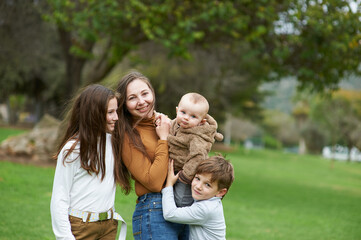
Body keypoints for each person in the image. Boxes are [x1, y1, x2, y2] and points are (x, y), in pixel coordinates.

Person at [50, 84, 131, 240]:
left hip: (108, 226)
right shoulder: (72, 150)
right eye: (110, 112)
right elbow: (60, 198)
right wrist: (65, 237)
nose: (116, 117)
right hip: (81, 228)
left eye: (116, 111)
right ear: (94, 114)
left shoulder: (114, 142)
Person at [115, 71, 189, 240]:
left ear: (152, 93)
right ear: (124, 104)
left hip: (182, 206)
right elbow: (154, 183)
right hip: (154, 209)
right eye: (132, 98)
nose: (141, 101)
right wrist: (163, 138)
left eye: (144, 93)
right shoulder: (127, 135)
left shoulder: (168, 123)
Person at [167, 92, 223, 207]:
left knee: (180, 200)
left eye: (193, 116)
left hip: (185, 173)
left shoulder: (197, 137)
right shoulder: (175, 124)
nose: (186, 118)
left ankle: (182, 217)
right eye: (183, 112)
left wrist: (184, 176)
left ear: (201, 121)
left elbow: (198, 157)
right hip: (173, 168)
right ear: (177, 110)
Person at [162, 155, 235, 240]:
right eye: (197, 178)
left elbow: (169, 214)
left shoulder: (206, 209)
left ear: (221, 192)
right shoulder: (211, 202)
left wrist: (169, 185)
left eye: (207, 185)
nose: (198, 186)